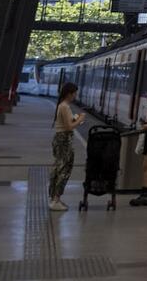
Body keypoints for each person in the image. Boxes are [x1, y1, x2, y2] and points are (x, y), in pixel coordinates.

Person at [48, 82, 85, 211]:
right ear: (69, 93)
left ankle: (54, 197)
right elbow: (69, 126)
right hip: (64, 140)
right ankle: (55, 199)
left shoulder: (62, 106)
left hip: (60, 139)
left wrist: (75, 119)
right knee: (64, 169)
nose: (75, 96)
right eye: (74, 94)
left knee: (59, 167)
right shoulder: (65, 107)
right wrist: (80, 119)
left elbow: (66, 123)